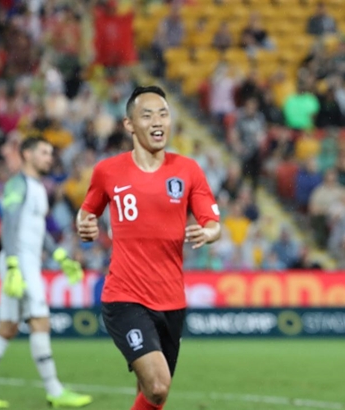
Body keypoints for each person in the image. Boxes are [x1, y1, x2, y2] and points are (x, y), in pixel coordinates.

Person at [76, 86, 221, 410]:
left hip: (171, 300)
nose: (158, 121)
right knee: (157, 386)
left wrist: (210, 232)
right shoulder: (107, 171)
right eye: (147, 115)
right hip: (125, 297)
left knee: (151, 392)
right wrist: (84, 225)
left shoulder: (188, 170)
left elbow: (212, 220)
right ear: (129, 124)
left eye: (164, 114)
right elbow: (87, 212)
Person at [0, 137, 92, 409]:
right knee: (40, 321)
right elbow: (9, 223)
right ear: (27, 154)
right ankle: (54, 390)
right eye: (44, 152)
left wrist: (59, 254)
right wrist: (12, 264)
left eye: (50, 153)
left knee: (7, 328)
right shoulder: (17, 184)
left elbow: (38, 228)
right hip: (20, 261)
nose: (49, 157)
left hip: (26, 260)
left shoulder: (37, 187)